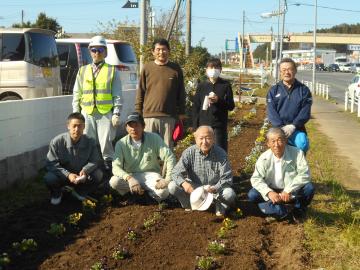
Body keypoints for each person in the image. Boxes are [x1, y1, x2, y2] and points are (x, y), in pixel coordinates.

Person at [72, 35, 122, 171]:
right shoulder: (82, 71)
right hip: (87, 113)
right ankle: (90, 170)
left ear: (105, 52)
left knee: (106, 143)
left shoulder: (112, 70)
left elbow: (117, 94)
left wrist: (116, 113)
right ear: (90, 51)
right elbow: (77, 93)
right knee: (88, 143)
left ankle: (109, 171)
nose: (97, 53)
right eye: (94, 50)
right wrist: (76, 113)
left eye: (100, 50)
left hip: (105, 113)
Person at [248, 127, 315, 222]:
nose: (276, 145)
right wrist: (269, 192)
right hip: (272, 190)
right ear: (268, 144)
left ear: (286, 141)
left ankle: (298, 210)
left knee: (309, 188)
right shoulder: (264, 158)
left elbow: (304, 174)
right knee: (252, 195)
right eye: (273, 141)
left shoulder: (297, 153)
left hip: (291, 191)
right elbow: (256, 179)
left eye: (280, 140)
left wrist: (288, 190)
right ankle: (282, 210)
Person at [169, 126, 236, 216]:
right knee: (172, 186)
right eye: (201, 138)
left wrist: (214, 188)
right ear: (196, 139)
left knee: (229, 194)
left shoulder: (221, 154)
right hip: (195, 188)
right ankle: (189, 204)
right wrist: (184, 184)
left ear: (213, 139)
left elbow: (227, 178)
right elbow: (175, 171)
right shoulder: (189, 152)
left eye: (208, 138)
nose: (204, 142)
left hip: (213, 189)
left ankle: (219, 205)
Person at [109, 112, 176, 202]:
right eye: (130, 126)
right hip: (132, 175)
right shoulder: (121, 144)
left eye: (136, 125)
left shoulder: (154, 138)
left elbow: (170, 157)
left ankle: (146, 196)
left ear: (143, 126)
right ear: (126, 128)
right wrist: (129, 178)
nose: (133, 129)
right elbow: (116, 167)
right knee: (114, 182)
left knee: (163, 192)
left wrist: (167, 180)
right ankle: (134, 193)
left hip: (151, 175)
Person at [135, 38, 186, 148]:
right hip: (149, 116)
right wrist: (138, 111)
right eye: (158, 49)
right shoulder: (147, 68)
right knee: (148, 149)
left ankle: (168, 167)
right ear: (153, 52)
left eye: (164, 49)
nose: (161, 52)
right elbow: (140, 91)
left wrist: (181, 112)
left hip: (169, 116)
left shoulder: (175, 69)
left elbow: (181, 92)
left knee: (167, 150)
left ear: (169, 51)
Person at [44, 113, 103, 205]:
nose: (77, 129)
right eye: (74, 126)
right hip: (63, 176)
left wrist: (85, 170)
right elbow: (51, 163)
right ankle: (57, 193)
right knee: (49, 178)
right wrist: (68, 175)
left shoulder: (90, 142)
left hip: (81, 177)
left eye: (80, 126)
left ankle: (80, 191)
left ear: (84, 127)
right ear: (68, 126)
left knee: (98, 174)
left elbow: (95, 160)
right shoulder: (57, 142)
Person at [267, 57, 312, 153]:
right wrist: (281, 127)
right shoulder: (273, 90)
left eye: (289, 69)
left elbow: (305, 112)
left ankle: (298, 167)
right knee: (279, 155)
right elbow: (271, 112)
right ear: (280, 72)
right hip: (278, 130)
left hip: (297, 129)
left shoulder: (304, 90)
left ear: (295, 71)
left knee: (302, 144)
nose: (286, 72)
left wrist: (293, 126)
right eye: (283, 70)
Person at [192, 58, 235, 152]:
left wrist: (218, 100)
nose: (213, 70)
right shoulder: (202, 86)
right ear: (206, 69)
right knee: (203, 151)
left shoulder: (225, 85)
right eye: (211, 67)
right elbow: (196, 107)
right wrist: (195, 127)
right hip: (203, 125)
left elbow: (231, 106)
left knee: (220, 151)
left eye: (216, 67)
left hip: (219, 125)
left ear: (220, 69)